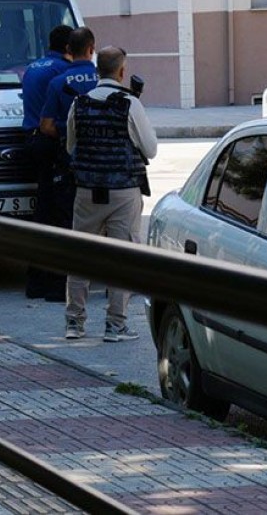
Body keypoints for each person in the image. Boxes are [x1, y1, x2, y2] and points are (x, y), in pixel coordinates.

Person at [63, 46, 157, 342]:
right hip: (123, 190)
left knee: (80, 257)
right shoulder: (130, 104)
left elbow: (70, 147)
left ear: (97, 70)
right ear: (121, 71)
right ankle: (115, 325)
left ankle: (74, 324)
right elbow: (150, 149)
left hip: (87, 191)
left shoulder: (79, 103)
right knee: (122, 257)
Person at [32, 27, 100, 301]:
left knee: (67, 221)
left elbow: (46, 125)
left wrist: (67, 131)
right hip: (108, 169)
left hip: (70, 162)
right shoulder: (107, 82)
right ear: (91, 49)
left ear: (69, 51)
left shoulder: (58, 82)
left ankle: (63, 287)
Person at [20, 24, 74, 300]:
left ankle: (36, 281)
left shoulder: (34, 66)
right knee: (59, 213)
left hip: (32, 140)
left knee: (42, 210)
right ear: (69, 48)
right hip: (51, 142)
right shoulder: (62, 72)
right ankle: (55, 283)